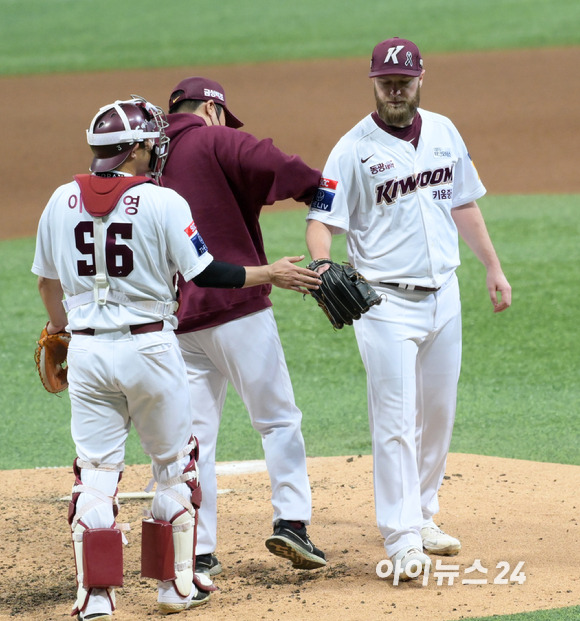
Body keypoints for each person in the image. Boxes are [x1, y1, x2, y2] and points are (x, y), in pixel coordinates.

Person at [31, 95, 321, 620]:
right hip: (151, 350)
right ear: (137, 147)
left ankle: (96, 597)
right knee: (174, 467)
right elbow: (206, 272)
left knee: (95, 473)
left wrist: (61, 330)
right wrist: (269, 273)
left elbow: (46, 283)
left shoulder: (58, 201)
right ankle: (174, 587)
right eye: (149, 142)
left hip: (90, 353)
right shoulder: (162, 201)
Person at [305, 37, 512, 582]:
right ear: (373, 83)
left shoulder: (444, 132)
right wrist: (324, 265)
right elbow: (320, 220)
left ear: (421, 78)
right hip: (384, 303)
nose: (395, 90)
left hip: (445, 296)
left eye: (404, 81)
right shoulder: (352, 148)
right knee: (396, 421)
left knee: (437, 415)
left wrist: (492, 267)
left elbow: (462, 202)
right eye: (386, 82)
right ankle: (399, 538)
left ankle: (423, 516)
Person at [160, 76, 327, 575]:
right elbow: (278, 164)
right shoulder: (212, 137)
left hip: (180, 320)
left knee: (195, 439)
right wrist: (321, 187)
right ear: (210, 109)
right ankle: (292, 523)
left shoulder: (148, 156)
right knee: (277, 418)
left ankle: (199, 551)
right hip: (238, 309)